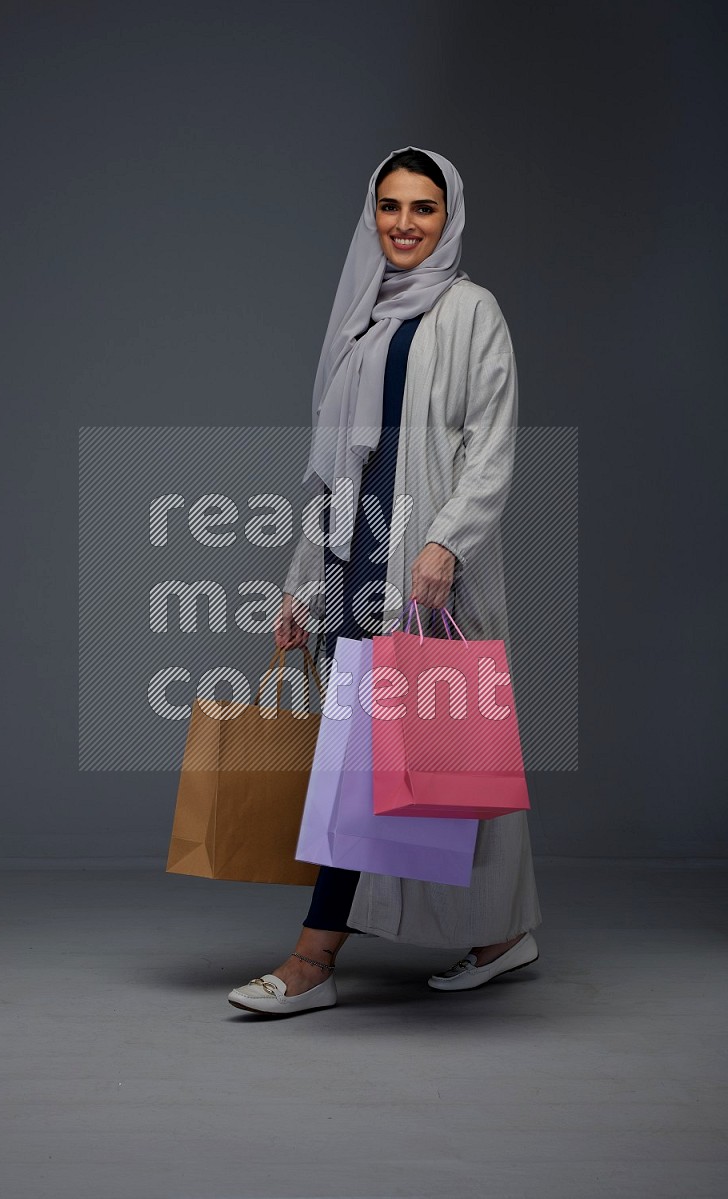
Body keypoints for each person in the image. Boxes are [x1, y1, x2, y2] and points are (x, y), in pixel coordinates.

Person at [228, 146, 541, 1015]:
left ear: (450, 218)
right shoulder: (361, 323)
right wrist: (299, 581)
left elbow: (493, 447)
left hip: (433, 570)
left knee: (423, 759)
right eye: (391, 206)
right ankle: (501, 933)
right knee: (388, 761)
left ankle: (313, 958)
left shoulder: (475, 313)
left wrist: (448, 542)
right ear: (373, 215)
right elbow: (330, 472)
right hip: (356, 561)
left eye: (425, 208)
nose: (405, 223)